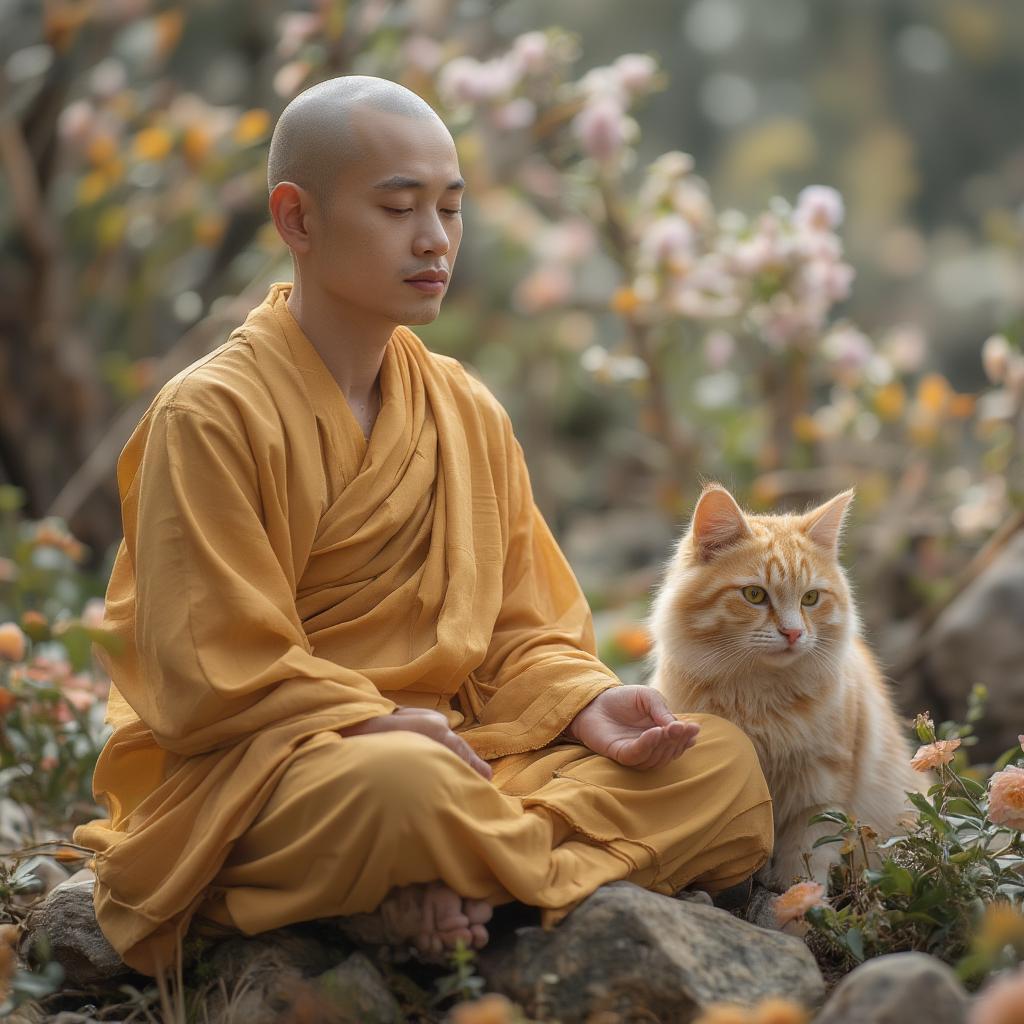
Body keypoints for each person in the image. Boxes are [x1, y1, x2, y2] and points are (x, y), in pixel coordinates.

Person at [73, 75, 773, 976]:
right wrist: (370, 726)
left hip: (468, 760)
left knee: (719, 761)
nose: (435, 239)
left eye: (450, 208)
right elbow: (209, 669)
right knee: (400, 788)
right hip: (290, 772)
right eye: (399, 207)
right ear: (298, 219)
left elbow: (525, 632)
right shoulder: (210, 415)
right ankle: (490, 864)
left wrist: (588, 704)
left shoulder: (465, 409)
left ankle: (442, 881)